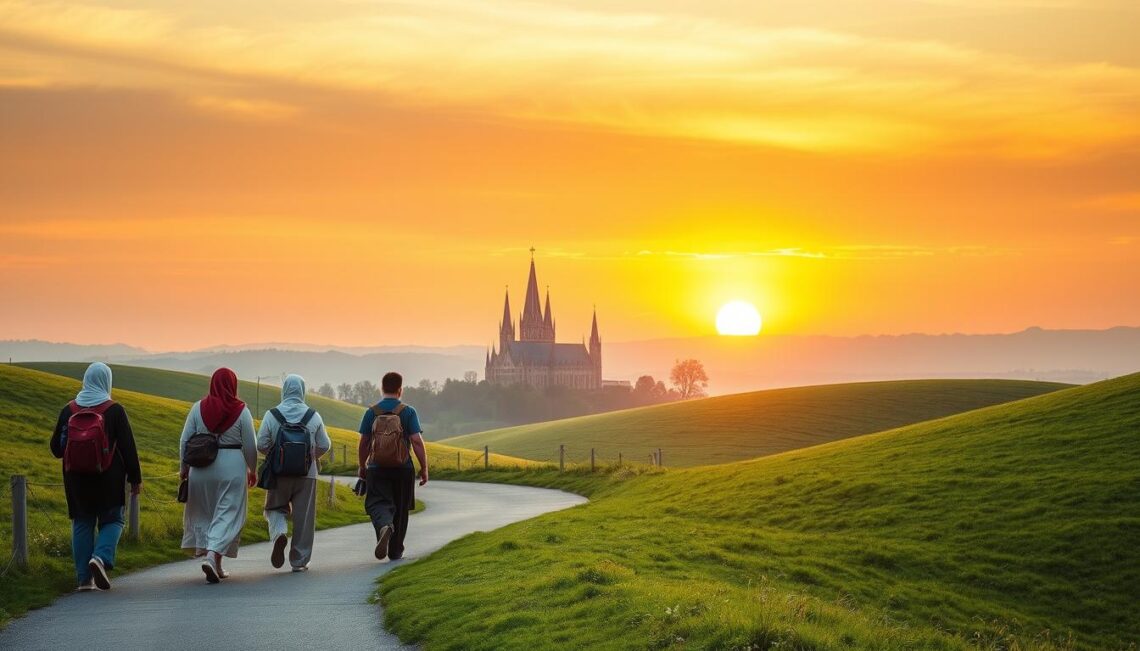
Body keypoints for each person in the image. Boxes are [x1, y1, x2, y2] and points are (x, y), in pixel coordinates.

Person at [49, 362, 142, 592]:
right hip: (108, 478)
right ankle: (99, 558)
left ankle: (83, 580)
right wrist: (135, 478)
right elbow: (128, 447)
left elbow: (56, 449)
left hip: (76, 479)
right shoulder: (115, 409)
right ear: (106, 381)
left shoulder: (68, 410)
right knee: (114, 520)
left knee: (82, 522)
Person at [179, 368, 257, 583]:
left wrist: (184, 467)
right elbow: (250, 445)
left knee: (207, 512)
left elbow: (185, 440)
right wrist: (253, 469)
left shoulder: (197, 408)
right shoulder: (242, 411)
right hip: (232, 466)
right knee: (228, 513)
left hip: (201, 468)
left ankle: (217, 564)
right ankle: (212, 557)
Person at [256, 374, 330, 572]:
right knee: (304, 518)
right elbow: (325, 444)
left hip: (278, 473)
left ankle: (280, 533)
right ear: (302, 391)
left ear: (284, 390)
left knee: (273, 508)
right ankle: (299, 560)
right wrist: (310, 456)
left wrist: (276, 455)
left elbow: (260, 444)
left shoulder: (272, 415)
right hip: (307, 474)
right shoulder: (313, 416)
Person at [357, 372, 428, 561]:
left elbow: (364, 442)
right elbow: (417, 441)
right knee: (401, 508)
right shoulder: (408, 412)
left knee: (376, 503)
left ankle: (384, 526)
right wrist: (424, 468)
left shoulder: (371, 412)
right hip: (403, 468)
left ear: (382, 388)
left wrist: (362, 466)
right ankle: (395, 551)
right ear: (400, 390)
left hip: (376, 468)